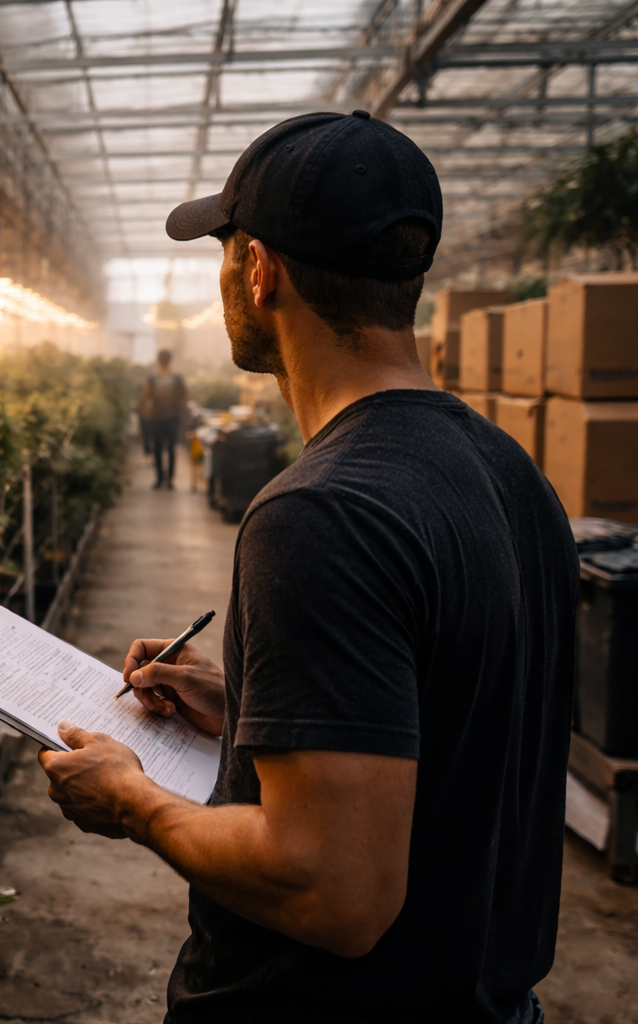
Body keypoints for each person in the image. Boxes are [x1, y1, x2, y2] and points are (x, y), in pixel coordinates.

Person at [39, 110, 577, 1023]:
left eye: (223, 250)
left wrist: (135, 802)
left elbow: (337, 893)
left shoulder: (319, 512)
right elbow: (452, 726)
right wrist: (253, 713)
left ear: (260, 270)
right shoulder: (509, 470)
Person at [140, 349, 188, 488]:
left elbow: (146, 396)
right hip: (173, 418)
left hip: (156, 418)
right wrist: (180, 413)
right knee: (172, 449)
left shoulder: (152, 378)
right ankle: (170, 481)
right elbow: (183, 397)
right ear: (170, 361)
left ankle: (160, 479)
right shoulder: (177, 378)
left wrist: (145, 412)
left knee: (158, 449)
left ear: (157, 360)